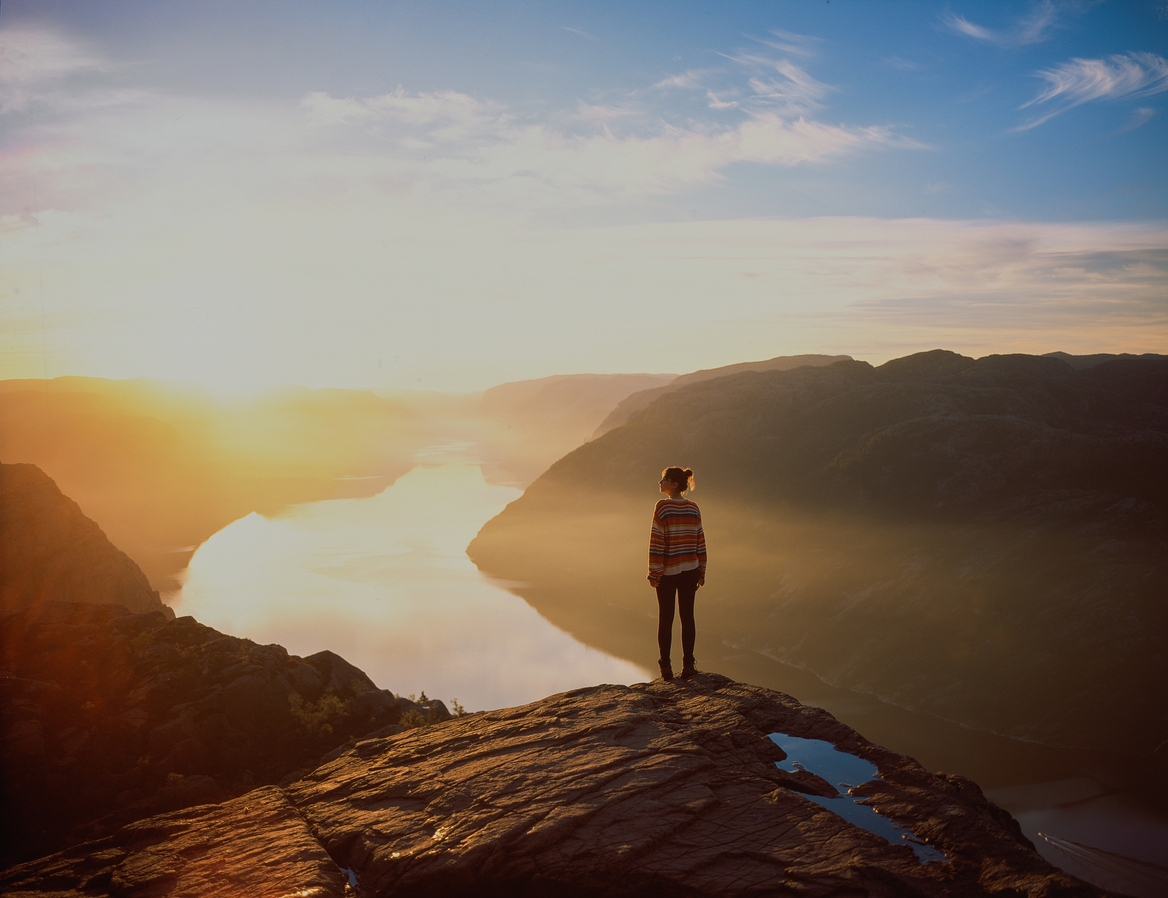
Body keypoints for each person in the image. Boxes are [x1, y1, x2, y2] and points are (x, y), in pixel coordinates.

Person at [647, 466, 706, 680]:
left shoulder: (662, 507)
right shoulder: (693, 508)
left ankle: (666, 669)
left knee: (666, 618)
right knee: (687, 617)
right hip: (690, 570)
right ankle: (688, 665)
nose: (660, 482)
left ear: (673, 484)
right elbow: (700, 540)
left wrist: (654, 573)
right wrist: (702, 570)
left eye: (663, 479)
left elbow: (657, 542)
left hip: (668, 572)